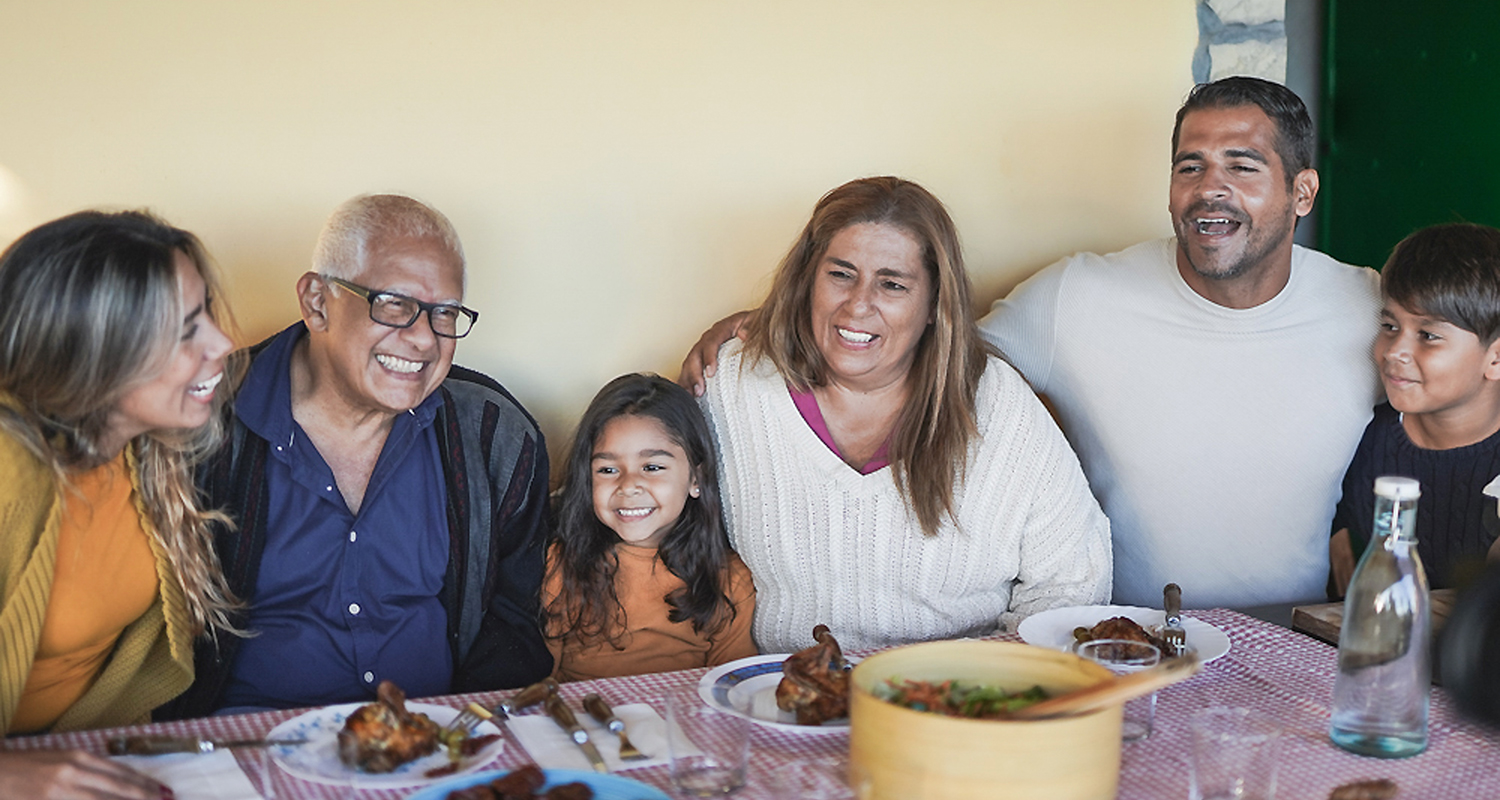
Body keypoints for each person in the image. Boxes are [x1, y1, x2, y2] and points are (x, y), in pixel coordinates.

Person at [682, 78, 1380, 610]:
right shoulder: (1077, 295)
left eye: (1243, 166)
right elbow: (923, 346)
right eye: (1190, 166)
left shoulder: (1369, 309)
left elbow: (1467, 395)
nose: (1210, 189)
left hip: (1297, 633)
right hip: (1125, 632)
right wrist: (771, 322)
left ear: (1304, 192)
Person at [157, 194, 552, 718]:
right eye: (393, 303)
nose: (421, 339)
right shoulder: (199, 423)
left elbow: (514, 623)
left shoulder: (494, 436)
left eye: (445, 313)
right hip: (248, 747)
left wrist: (459, 738)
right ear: (317, 301)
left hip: (435, 744)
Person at [695, 176, 1111, 654]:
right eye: (840, 274)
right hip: (785, 694)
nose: (857, 305)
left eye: (892, 284)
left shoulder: (997, 406)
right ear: (808, 279)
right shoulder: (732, 385)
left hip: (957, 696)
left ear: (934, 304)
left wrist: (991, 686)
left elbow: (1072, 581)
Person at [0, 211, 235, 798]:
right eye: (187, 330)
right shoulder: (9, 468)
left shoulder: (145, 453)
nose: (224, 342)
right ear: (97, 353)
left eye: (206, 311)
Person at [543, 373, 756, 681]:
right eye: (608, 469)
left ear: (696, 479)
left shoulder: (727, 580)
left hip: (683, 724)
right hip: (581, 723)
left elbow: (731, 690)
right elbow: (537, 685)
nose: (628, 486)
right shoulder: (562, 564)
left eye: (652, 467)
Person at [1332, 223, 1500, 594]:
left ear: (1496, 358)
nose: (1394, 351)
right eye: (1390, 326)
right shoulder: (1356, 439)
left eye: (1428, 335)